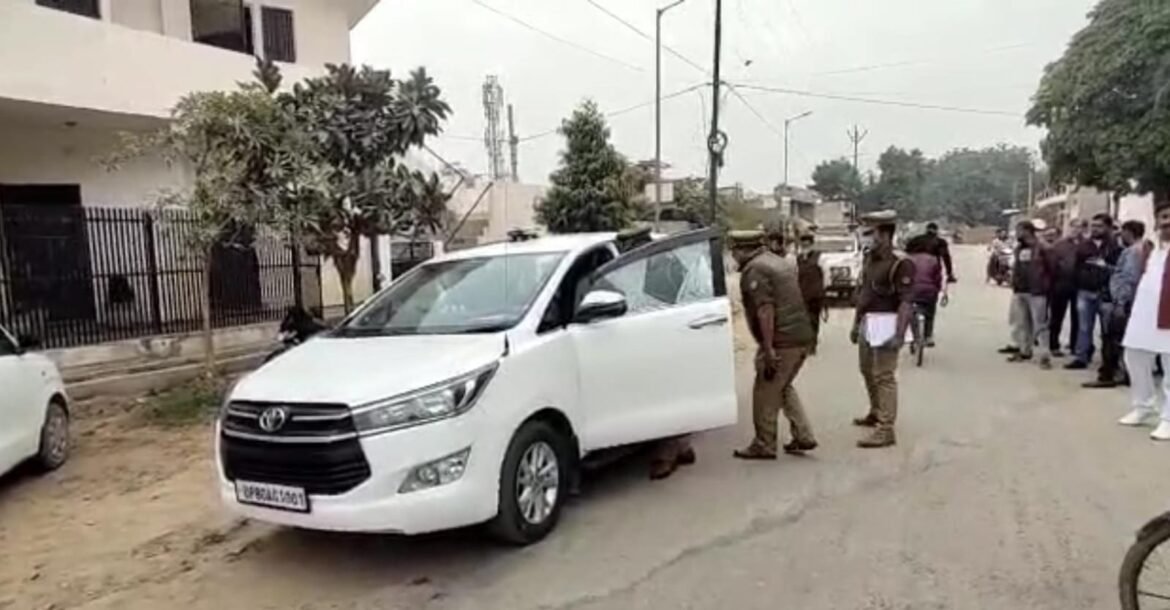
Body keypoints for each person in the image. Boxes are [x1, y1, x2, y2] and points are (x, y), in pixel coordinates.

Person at [730, 231, 819, 459]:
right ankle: (803, 435)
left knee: (765, 391)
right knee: (782, 386)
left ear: (743, 250)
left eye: (734, 251)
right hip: (800, 336)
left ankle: (764, 444)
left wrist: (769, 349)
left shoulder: (755, 270)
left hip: (782, 341)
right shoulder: (777, 261)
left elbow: (765, 309)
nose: (733, 256)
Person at [851, 210, 914, 449]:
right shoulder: (870, 259)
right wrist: (856, 323)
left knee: (884, 376)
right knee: (867, 370)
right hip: (868, 323)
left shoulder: (901, 264)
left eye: (871, 233)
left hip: (887, 324)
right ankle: (876, 411)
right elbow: (864, 294)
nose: (867, 237)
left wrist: (899, 334)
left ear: (885, 235)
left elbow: (906, 302)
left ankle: (886, 429)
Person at [1118, 202, 1170, 440]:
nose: (1168, 222)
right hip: (1144, 312)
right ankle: (1143, 406)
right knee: (1134, 356)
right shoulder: (1148, 247)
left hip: (1168, 315)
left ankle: (1168, 419)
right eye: (1164, 217)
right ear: (1157, 221)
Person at [1087, 220, 1149, 388]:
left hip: (1125, 302)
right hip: (1135, 301)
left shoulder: (1132, 252)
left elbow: (1129, 278)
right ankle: (1127, 373)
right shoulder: (1145, 248)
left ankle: (1107, 375)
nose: (1120, 235)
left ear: (1129, 232)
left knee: (1112, 339)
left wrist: (1121, 302)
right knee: (1126, 340)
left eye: (1123, 232)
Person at [1066, 214, 1123, 369]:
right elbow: (1076, 267)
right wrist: (1077, 284)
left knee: (1107, 330)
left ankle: (1108, 361)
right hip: (1085, 291)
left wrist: (1105, 267)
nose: (1095, 229)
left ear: (1108, 227)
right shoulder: (1084, 245)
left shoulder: (1116, 247)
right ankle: (1081, 357)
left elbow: (1119, 270)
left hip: (1106, 293)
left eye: (1099, 226)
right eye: (1093, 226)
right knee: (1084, 327)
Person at [1006, 221, 1054, 369]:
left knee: (1040, 324)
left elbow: (1053, 268)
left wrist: (1046, 285)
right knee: (1022, 322)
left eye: (1019, 231)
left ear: (1027, 231)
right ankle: (1025, 350)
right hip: (1020, 290)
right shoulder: (1019, 248)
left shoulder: (1043, 247)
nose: (1017, 234)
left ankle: (1045, 355)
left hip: (1037, 291)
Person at [1048, 220, 1084, 357]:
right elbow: (1051, 264)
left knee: (1077, 318)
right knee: (1056, 317)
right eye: (1073, 227)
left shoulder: (1085, 245)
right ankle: (1054, 345)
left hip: (1079, 286)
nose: (1076, 230)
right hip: (1060, 284)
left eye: (1079, 227)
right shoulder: (1059, 245)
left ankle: (1075, 345)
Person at [906, 238, 944, 347]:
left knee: (908, 310)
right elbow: (938, 278)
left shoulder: (908, 259)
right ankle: (928, 336)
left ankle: (911, 334)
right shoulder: (933, 260)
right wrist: (938, 289)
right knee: (930, 312)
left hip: (912, 291)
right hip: (929, 292)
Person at [796, 234, 827, 352]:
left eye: (807, 244)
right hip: (802, 293)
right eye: (803, 244)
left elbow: (826, 274)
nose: (805, 246)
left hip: (815, 294)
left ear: (811, 244)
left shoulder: (819, 257)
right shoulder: (798, 259)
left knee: (814, 319)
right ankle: (806, 343)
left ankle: (812, 343)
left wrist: (824, 290)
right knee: (803, 320)